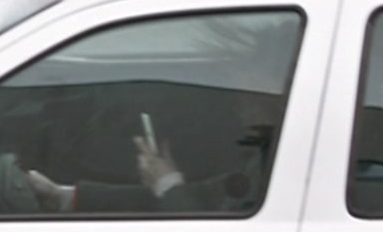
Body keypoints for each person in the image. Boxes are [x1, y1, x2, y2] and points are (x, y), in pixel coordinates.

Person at [26, 92, 281, 215]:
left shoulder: (285, 166)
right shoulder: (260, 160)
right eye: (243, 100)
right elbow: (206, 199)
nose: (243, 111)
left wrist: (168, 184)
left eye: (254, 99)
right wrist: (66, 198)